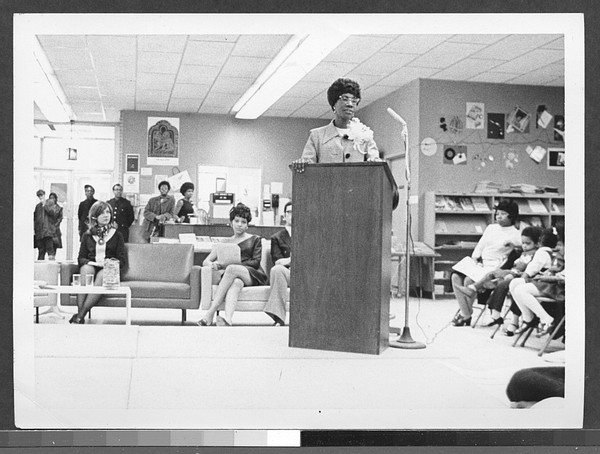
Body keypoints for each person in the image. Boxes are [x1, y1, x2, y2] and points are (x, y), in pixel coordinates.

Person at [457, 227, 557, 329]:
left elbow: (527, 269)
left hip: (518, 273)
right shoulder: (525, 252)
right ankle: (478, 287)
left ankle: (476, 287)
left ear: (537, 243)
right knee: (492, 274)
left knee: (494, 274)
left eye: (528, 243)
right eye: (523, 243)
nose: (524, 246)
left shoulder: (535, 254)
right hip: (516, 272)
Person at [451, 200, 522, 326]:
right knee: (455, 276)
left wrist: (515, 246)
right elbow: (481, 245)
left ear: (511, 216)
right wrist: (474, 259)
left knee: (468, 280)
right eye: (497, 213)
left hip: (495, 267)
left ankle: (465, 315)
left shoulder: (516, 235)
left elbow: (519, 252)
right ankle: (466, 313)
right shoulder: (491, 228)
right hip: (481, 264)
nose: (498, 216)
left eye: (503, 214)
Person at [198, 203, 267, 326]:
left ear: (247, 225)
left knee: (231, 268)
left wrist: (234, 264)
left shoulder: (255, 239)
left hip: (253, 275)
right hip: (233, 276)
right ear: (231, 222)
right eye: (237, 221)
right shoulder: (225, 242)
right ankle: (228, 320)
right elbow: (206, 261)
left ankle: (210, 313)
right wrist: (213, 265)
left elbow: (256, 262)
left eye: (243, 222)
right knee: (235, 283)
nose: (239, 224)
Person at [292, 78, 381, 172]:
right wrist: (301, 164)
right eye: (345, 99)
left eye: (354, 100)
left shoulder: (365, 135)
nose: (350, 104)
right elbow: (307, 167)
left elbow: (376, 163)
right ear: (334, 104)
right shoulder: (317, 136)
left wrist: (375, 162)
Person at [70, 201, 127, 324]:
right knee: (85, 269)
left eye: (108, 212)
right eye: (102, 213)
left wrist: (109, 262)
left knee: (102, 275)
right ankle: (80, 314)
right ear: (94, 217)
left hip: (109, 269)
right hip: (93, 266)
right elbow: (81, 258)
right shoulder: (87, 235)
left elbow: (122, 260)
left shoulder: (117, 235)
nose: (106, 215)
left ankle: (80, 315)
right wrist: (90, 263)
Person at [509, 223, 565, 336]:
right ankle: (528, 317)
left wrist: (547, 276)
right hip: (551, 281)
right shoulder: (561, 250)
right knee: (514, 283)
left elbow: (565, 276)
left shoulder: (567, 251)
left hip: (558, 286)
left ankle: (546, 320)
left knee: (520, 289)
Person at [264, 201, 292, 326]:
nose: (293, 215)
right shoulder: (277, 237)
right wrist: (292, 260)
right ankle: (279, 318)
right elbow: (277, 261)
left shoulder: (308, 234)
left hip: (306, 273)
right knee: (277, 270)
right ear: (284, 216)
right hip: (288, 273)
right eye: (289, 212)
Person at [33, 189, 61, 260]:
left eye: (41, 195)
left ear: (44, 195)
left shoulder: (50, 203)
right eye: (39, 196)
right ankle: (40, 268)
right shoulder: (38, 206)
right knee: (41, 251)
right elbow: (36, 219)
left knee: (50, 250)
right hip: (40, 232)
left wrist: (45, 205)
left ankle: (52, 267)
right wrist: (35, 230)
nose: (40, 197)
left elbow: (53, 213)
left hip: (48, 231)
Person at [48, 192, 63, 257]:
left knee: (54, 247)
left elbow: (60, 219)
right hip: (47, 229)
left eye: (53, 198)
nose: (52, 199)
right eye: (50, 198)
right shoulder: (46, 207)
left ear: (56, 199)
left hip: (55, 230)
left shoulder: (59, 208)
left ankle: (52, 259)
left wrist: (54, 226)